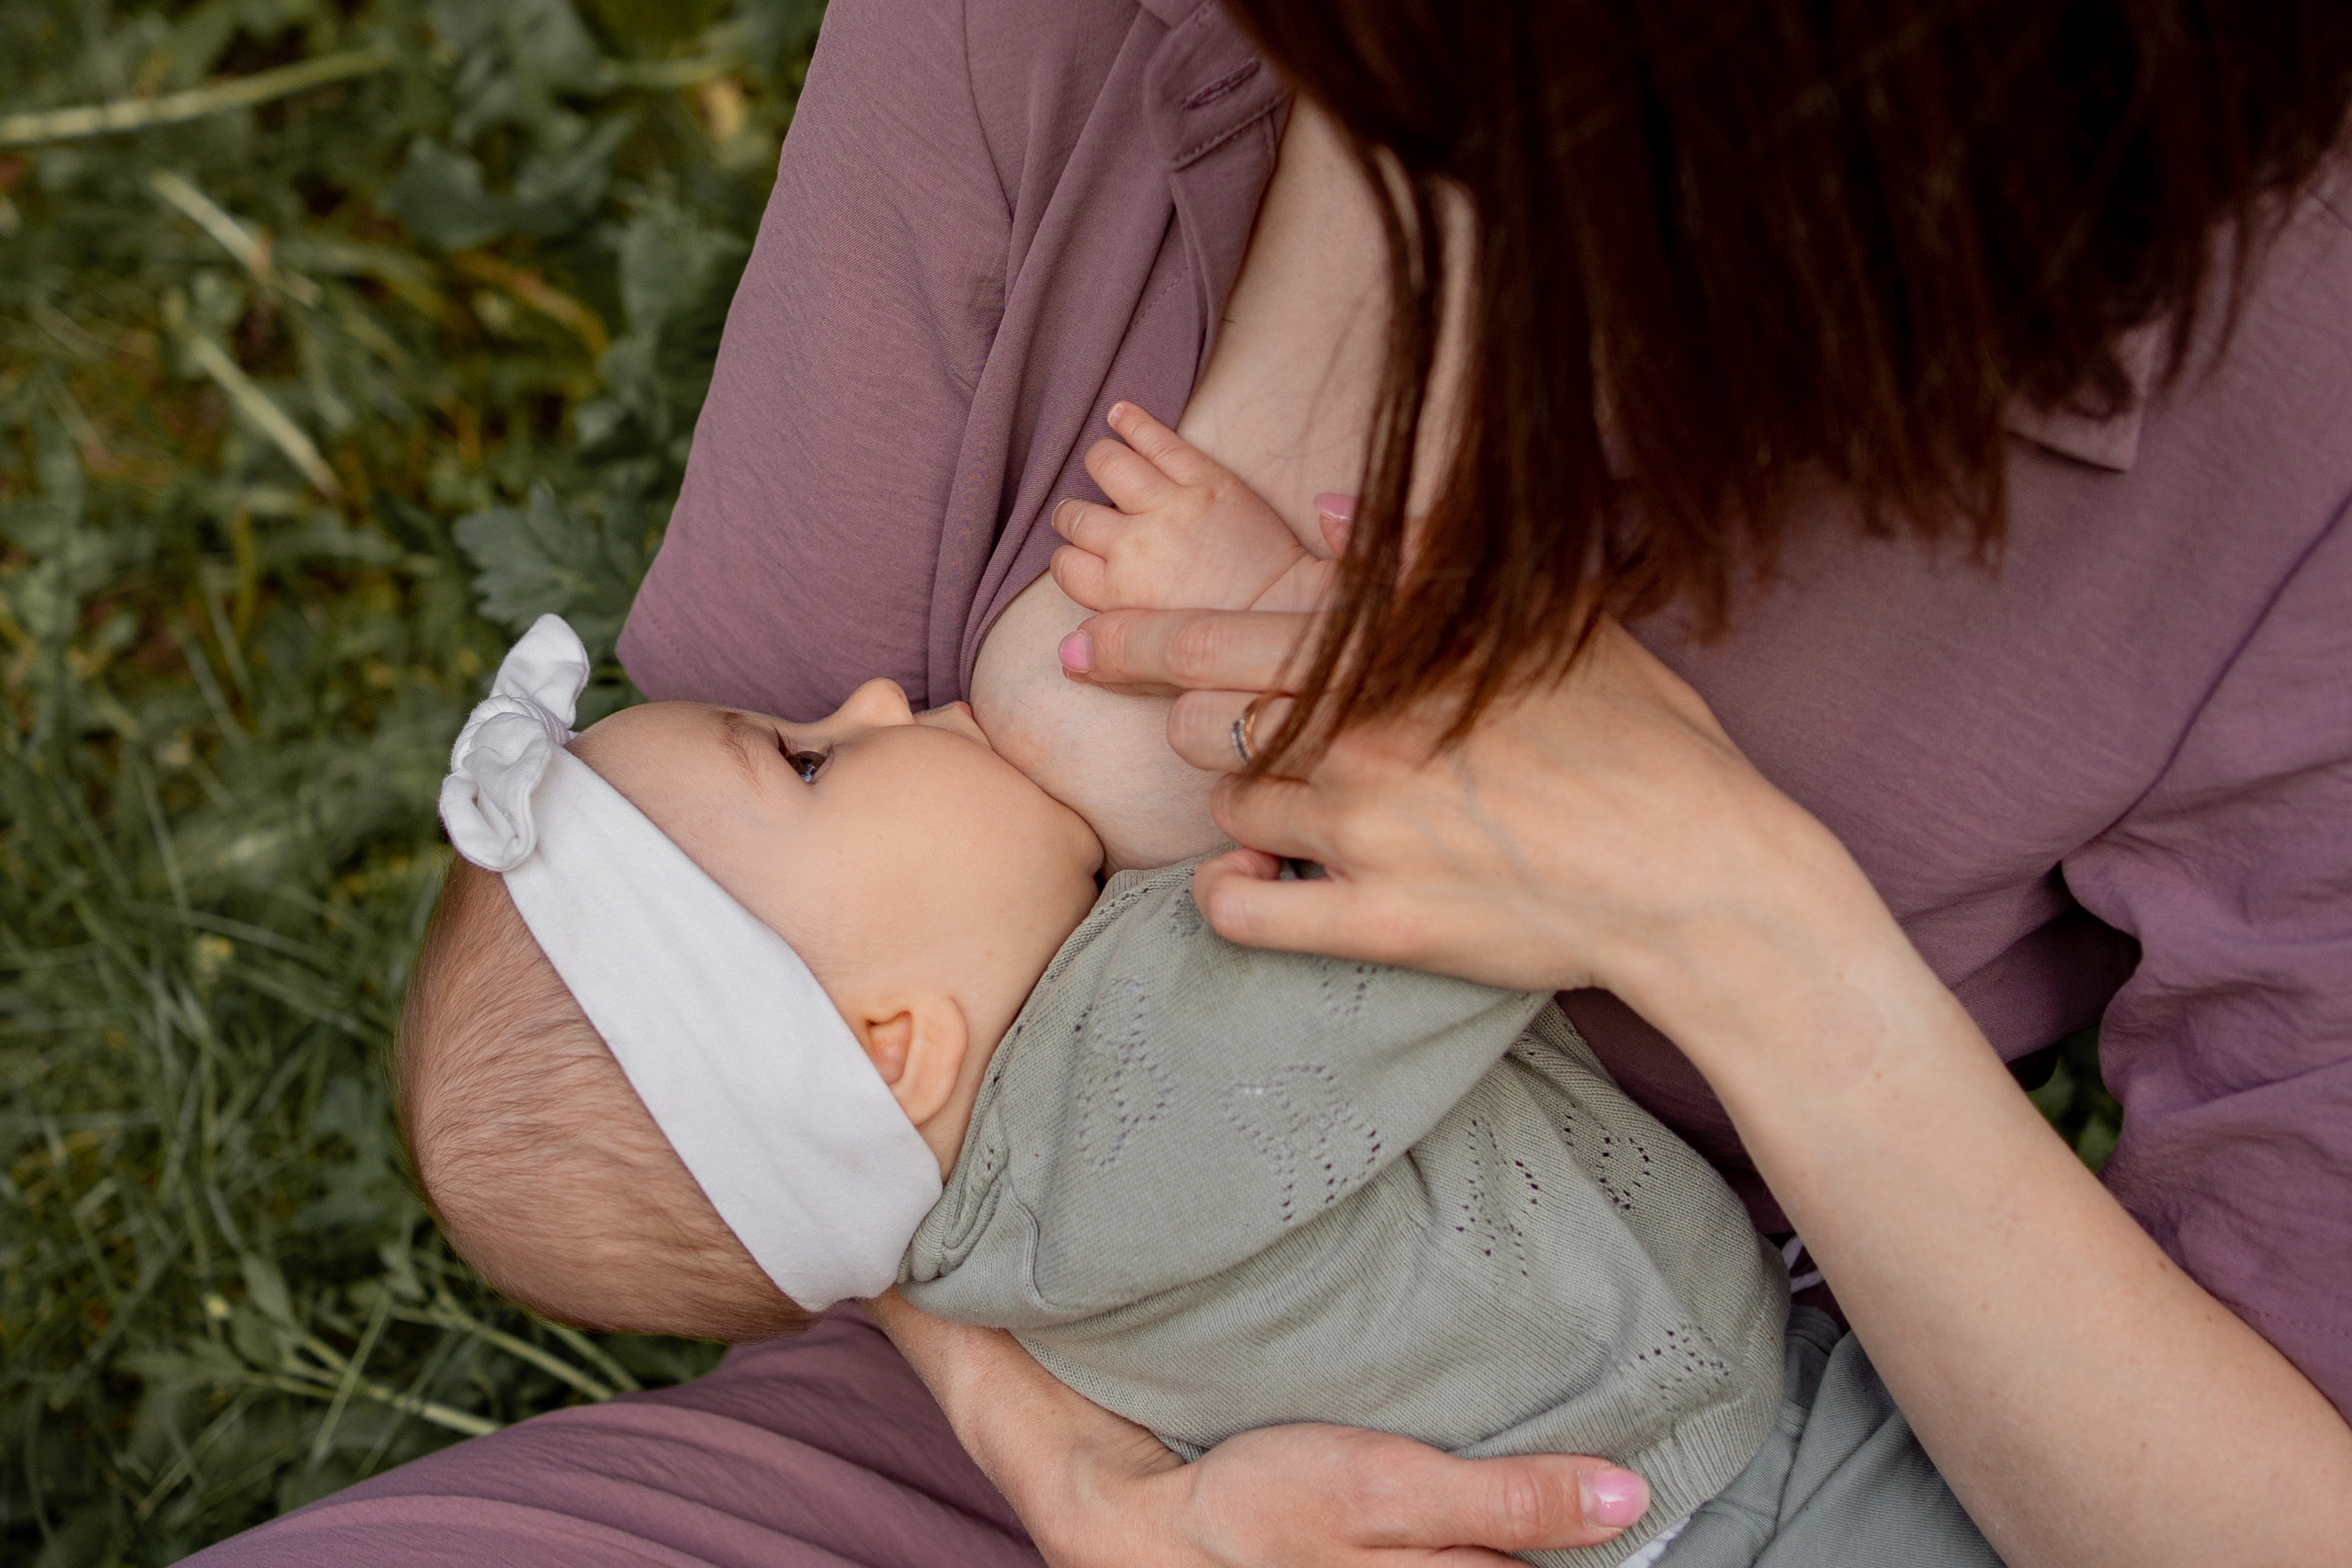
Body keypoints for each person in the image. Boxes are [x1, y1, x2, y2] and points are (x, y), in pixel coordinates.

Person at [191, 1, 2352, 1564]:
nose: (864, 691)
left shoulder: (2284, 371)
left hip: (1697, 1474)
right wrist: (1058, 1458)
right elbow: (752, 1104)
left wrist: (1729, 914)